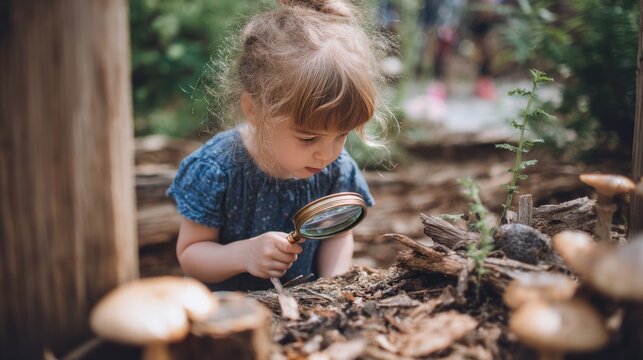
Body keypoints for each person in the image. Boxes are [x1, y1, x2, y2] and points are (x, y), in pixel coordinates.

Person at [166, 0, 391, 292]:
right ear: (255, 110)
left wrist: (333, 287)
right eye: (308, 138)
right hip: (225, 318)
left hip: (302, 315)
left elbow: (337, 236)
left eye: (342, 135)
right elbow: (190, 254)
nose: (327, 154)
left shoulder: (337, 169)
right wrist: (242, 255)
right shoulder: (217, 169)